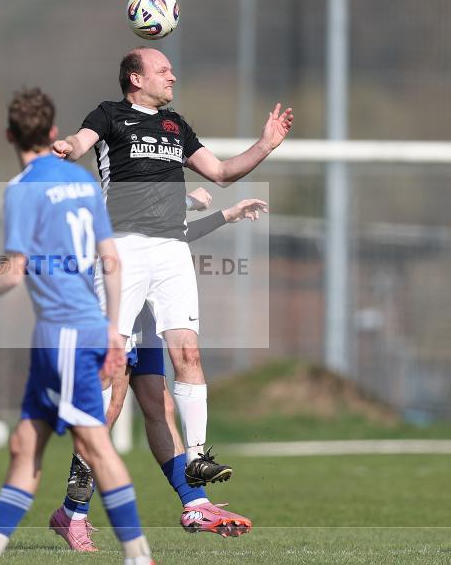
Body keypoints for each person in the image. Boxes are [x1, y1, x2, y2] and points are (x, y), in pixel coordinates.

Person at [0, 88, 154, 565]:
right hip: (75, 329)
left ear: (10, 135)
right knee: (24, 441)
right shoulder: (84, 182)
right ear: (52, 133)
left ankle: (139, 556)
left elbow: (13, 270)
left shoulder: (22, 188)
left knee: (93, 442)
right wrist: (113, 328)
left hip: (65, 333)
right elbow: (110, 259)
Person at [51, 46, 291, 488]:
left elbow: (220, 172)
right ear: (136, 78)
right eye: (163, 70)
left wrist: (265, 146)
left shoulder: (176, 125)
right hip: (123, 249)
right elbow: (82, 142)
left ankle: (197, 457)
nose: (172, 76)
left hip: (171, 250)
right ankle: (89, 457)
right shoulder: (109, 114)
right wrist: (68, 145)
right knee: (111, 363)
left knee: (188, 352)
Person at [49, 196, 269, 550]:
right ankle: (72, 513)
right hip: (114, 312)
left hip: (144, 317)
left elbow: (172, 237)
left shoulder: (148, 198)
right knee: (109, 411)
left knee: (159, 405)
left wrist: (225, 216)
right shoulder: (112, 195)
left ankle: (195, 504)